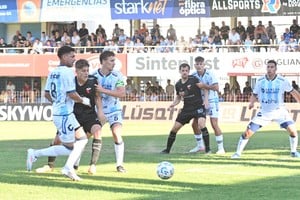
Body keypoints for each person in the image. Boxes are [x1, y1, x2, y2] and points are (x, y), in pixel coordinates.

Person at [26, 46, 91, 181]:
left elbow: (47, 94)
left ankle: (36, 154)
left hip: (63, 113)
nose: (74, 59)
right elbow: (72, 94)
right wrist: (84, 100)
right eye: (72, 56)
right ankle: (67, 167)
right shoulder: (67, 72)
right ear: (64, 57)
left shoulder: (53, 72)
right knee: (74, 146)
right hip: (64, 115)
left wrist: (57, 103)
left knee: (79, 141)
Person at [35, 59, 105, 175]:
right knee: (57, 140)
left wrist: (101, 112)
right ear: (76, 71)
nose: (86, 73)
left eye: (87, 70)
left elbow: (97, 97)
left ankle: (92, 165)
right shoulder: (70, 81)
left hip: (89, 115)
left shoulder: (93, 81)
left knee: (97, 131)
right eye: (83, 71)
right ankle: (50, 165)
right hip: (72, 114)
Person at [231, 60, 300, 159]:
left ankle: (293, 152)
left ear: (276, 69)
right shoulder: (260, 81)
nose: (270, 69)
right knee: (247, 133)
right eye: (268, 67)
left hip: (279, 111)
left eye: (272, 67)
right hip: (264, 112)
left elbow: (293, 92)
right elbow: (254, 94)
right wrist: (251, 103)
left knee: (293, 131)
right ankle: (237, 153)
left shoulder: (282, 81)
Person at [160, 63, 208, 154]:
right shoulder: (178, 84)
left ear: (189, 71)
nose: (185, 72)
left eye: (186, 71)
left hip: (198, 106)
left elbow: (204, 87)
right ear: (180, 71)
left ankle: (207, 149)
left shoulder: (194, 79)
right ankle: (167, 150)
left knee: (201, 124)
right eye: (183, 71)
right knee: (174, 128)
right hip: (186, 109)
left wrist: (206, 100)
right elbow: (178, 97)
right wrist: (173, 104)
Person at [92, 51, 127, 173]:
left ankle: (119, 164)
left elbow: (121, 93)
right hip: (98, 110)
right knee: (92, 134)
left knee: (116, 133)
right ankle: (86, 164)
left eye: (114, 60)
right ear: (103, 62)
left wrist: (103, 90)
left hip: (114, 110)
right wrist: (100, 111)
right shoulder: (93, 76)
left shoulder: (118, 75)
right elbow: (96, 95)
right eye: (111, 60)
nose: (114, 63)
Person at [191, 56, 225, 154]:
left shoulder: (210, 74)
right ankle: (200, 146)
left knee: (214, 124)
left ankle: (221, 148)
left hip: (212, 101)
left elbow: (216, 87)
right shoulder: (193, 75)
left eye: (201, 64)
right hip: (199, 102)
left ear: (204, 65)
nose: (199, 66)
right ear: (195, 65)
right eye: (197, 64)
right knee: (194, 124)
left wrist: (204, 86)